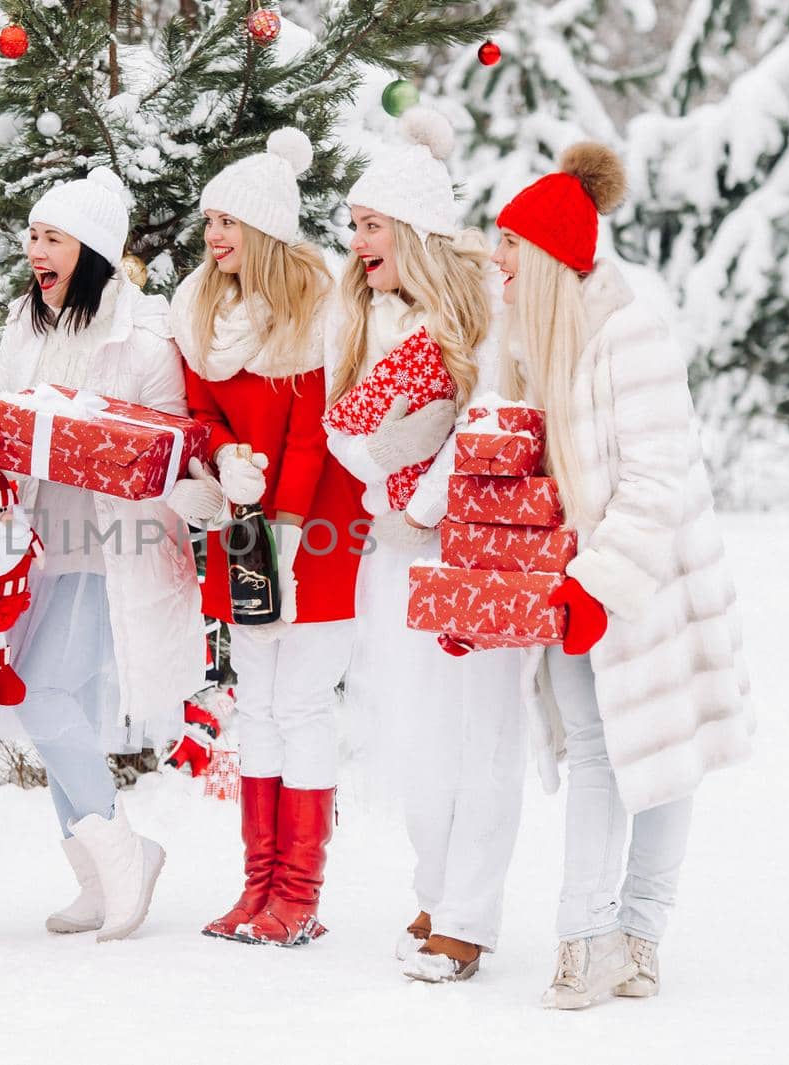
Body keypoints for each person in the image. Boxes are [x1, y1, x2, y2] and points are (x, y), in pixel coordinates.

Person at [491, 144, 751, 1008]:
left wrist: (598, 582)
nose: (497, 265)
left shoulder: (630, 335)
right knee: (603, 748)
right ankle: (590, 936)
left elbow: (656, 479)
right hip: (572, 579)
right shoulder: (530, 342)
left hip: (649, 582)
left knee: (664, 748)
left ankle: (629, 935)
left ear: (551, 260)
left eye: (510, 251)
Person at [323, 107, 527, 982]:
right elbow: (346, 429)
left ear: (414, 231)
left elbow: (495, 426)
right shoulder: (366, 317)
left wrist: (432, 478)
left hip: (479, 551)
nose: (358, 241)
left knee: (479, 731)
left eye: (372, 225)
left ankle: (470, 916)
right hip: (399, 544)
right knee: (418, 730)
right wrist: (384, 468)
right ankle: (436, 886)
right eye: (355, 225)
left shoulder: (486, 319)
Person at [167, 129, 368, 947]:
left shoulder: (319, 313)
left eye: (230, 223)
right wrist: (223, 460)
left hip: (315, 526)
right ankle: (256, 889)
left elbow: (316, 435)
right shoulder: (201, 312)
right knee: (258, 705)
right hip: (243, 524)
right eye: (210, 220)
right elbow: (200, 412)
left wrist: (279, 519)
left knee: (301, 702)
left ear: (268, 234)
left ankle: (300, 892)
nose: (214, 236)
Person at [0, 168, 204, 942]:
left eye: (50, 237)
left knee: (39, 694)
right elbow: (7, 417)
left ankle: (128, 852)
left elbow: (173, 443)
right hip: (43, 541)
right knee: (65, 706)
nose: (34, 250)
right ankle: (94, 874)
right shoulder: (28, 321)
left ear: (91, 251)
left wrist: (99, 439)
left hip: (111, 543)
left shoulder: (143, 335)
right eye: (33, 236)